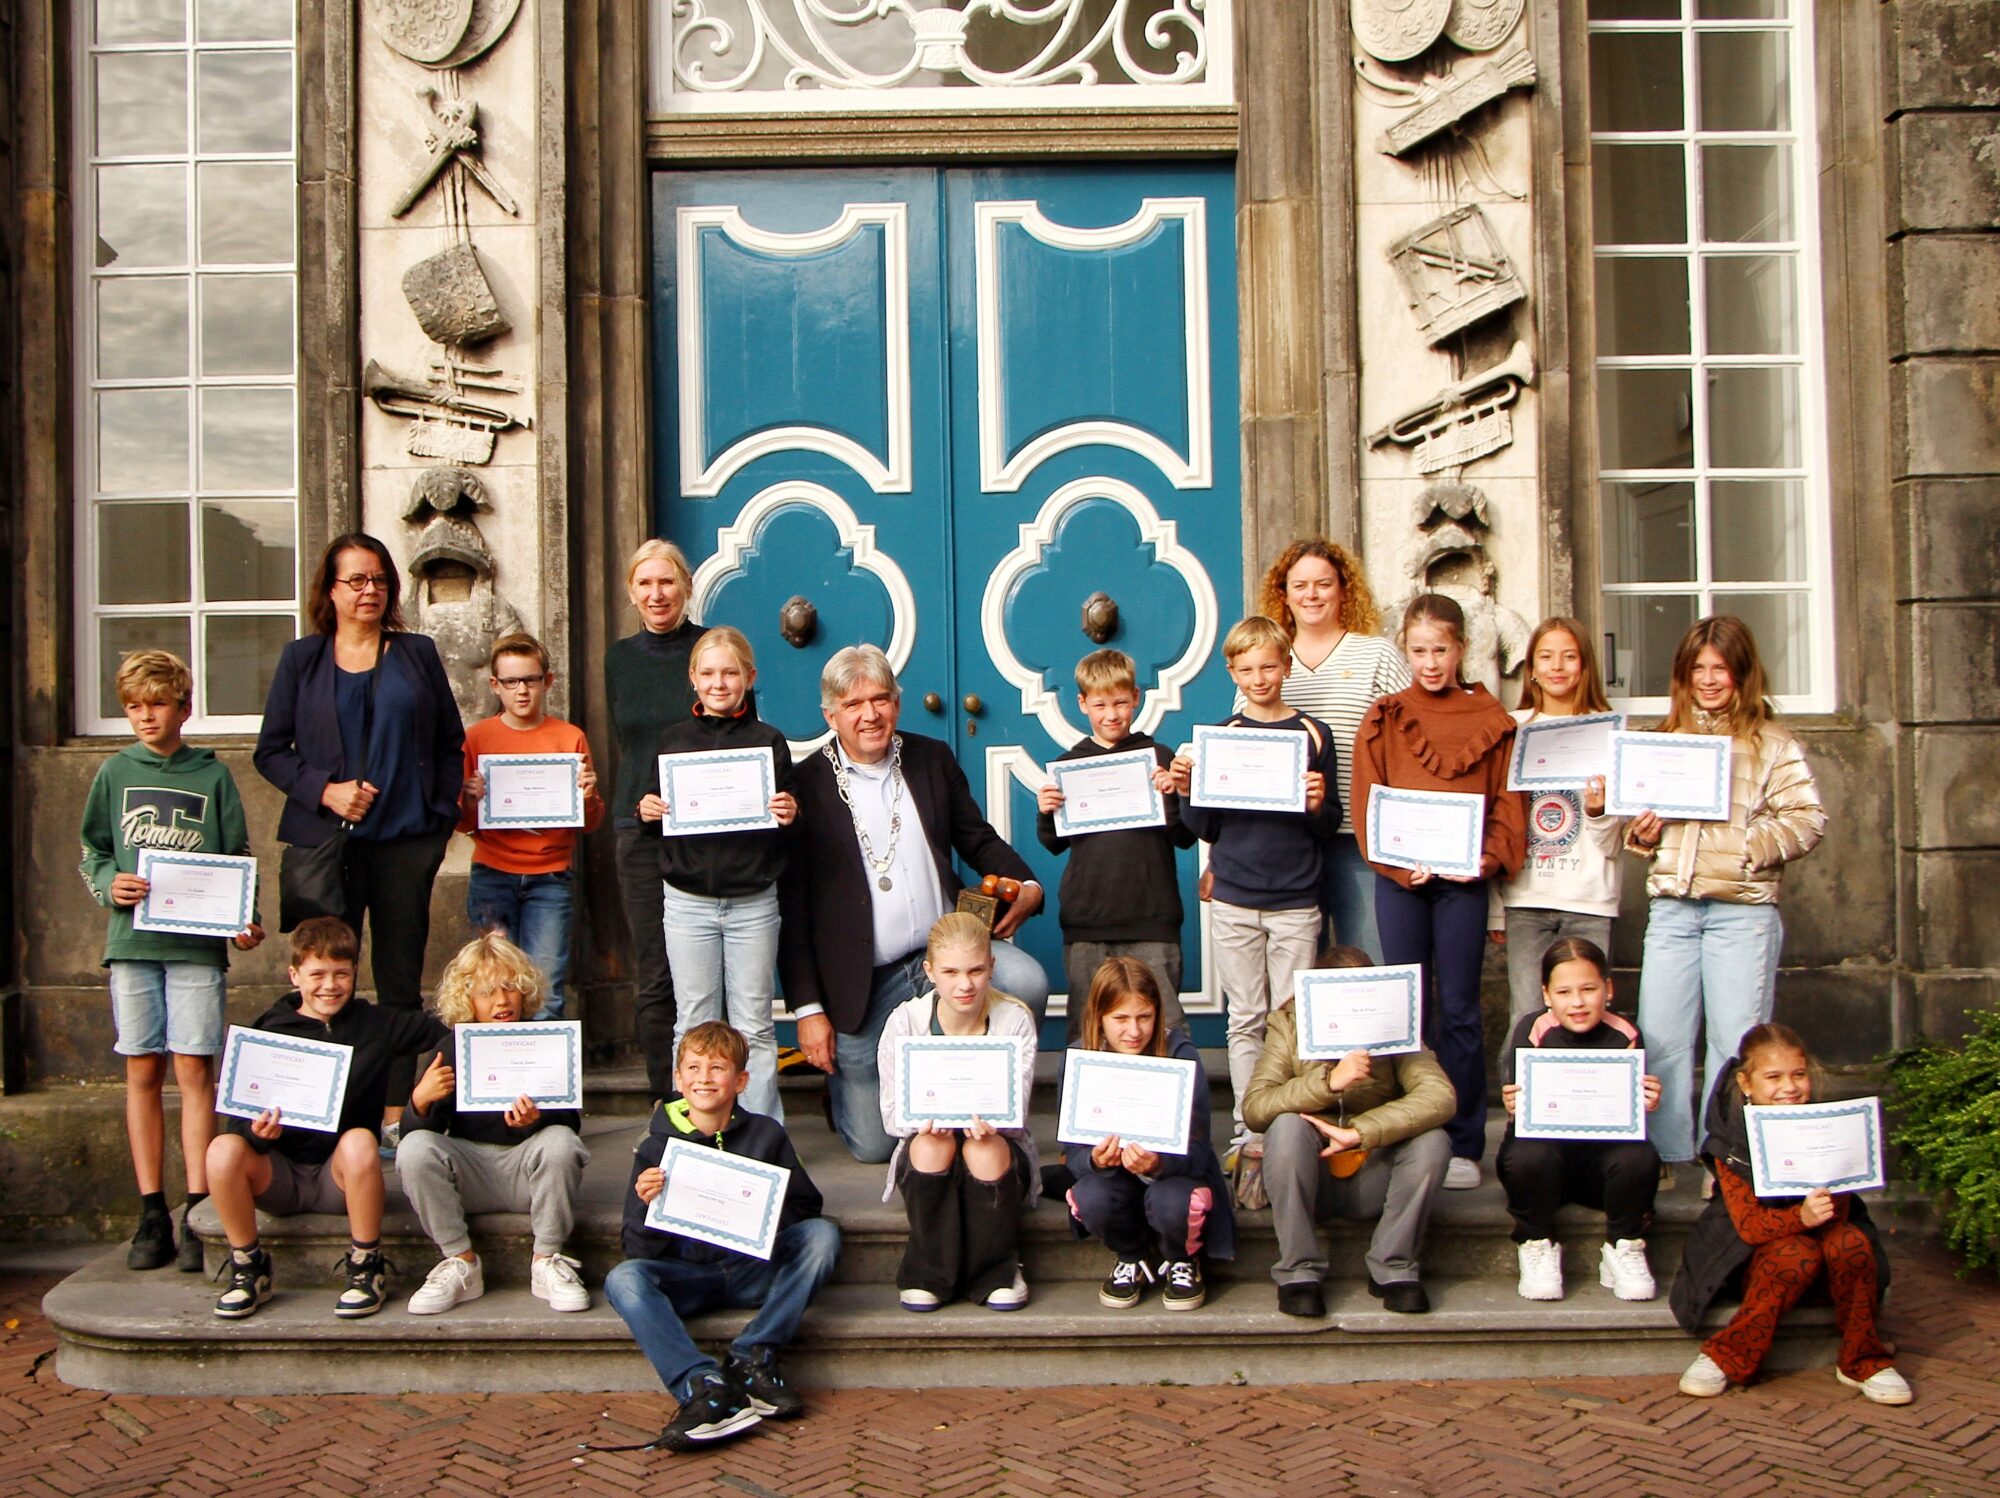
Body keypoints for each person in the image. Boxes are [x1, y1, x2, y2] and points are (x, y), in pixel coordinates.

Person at [779, 644, 1050, 1163]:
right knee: (874, 1146)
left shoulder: (930, 759)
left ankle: (978, 1097)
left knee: (1028, 982)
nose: (870, 714)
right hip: (866, 980)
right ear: (830, 715)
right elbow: (793, 909)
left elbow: (978, 839)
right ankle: (846, 1093)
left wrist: (1029, 883)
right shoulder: (806, 786)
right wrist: (809, 1011)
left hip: (945, 955)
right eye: (854, 704)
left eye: (881, 699)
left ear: (897, 705)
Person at [254, 533, 464, 1125]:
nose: (370, 590)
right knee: (324, 982)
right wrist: (326, 789)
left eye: (379, 580)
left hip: (406, 843)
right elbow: (270, 752)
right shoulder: (302, 659)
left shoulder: (416, 652)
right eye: (357, 580)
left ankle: (396, 1117)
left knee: (399, 984)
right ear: (331, 589)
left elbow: (451, 741)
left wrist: (440, 818)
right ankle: (321, 1112)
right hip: (328, 846)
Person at [80, 648, 265, 1273]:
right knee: (140, 1072)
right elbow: (94, 851)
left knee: (194, 1071)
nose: (145, 716)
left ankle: (196, 1208)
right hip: (132, 943)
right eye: (133, 707)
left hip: (195, 947)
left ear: (183, 707)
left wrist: (244, 917)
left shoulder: (212, 776)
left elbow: (236, 858)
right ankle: (150, 1210)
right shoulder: (113, 773)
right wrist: (111, 883)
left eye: (157, 704)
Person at [1628, 617, 1826, 1176]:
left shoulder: (1772, 743)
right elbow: (1641, 830)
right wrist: (1640, 835)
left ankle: (1727, 1165)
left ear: (1741, 674)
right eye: (1698, 669)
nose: (1709, 679)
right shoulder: (1662, 741)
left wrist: (1746, 846)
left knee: (1735, 1045)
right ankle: (1665, 1157)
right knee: (1661, 1040)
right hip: (1673, 908)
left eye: (1720, 668)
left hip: (1742, 913)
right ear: (1684, 676)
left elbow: (1808, 819)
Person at [1352, 593, 1525, 1189]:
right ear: (1406, 649)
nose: (1431, 662)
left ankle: (1463, 1140)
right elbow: (1367, 802)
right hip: (1403, 883)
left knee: (1458, 1010)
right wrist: (1401, 867)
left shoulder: (1491, 719)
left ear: (1460, 649)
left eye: (1442, 650)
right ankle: (1407, 1131)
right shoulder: (1385, 716)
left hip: (1463, 884)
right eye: (1420, 649)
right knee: (1406, 1008)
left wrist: (1478, 862)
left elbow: (1507, 803)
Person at [604, 1021, 842, 1452]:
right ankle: (703, 1384)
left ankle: (753, 1355)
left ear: (741, 1080)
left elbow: (808, 1208)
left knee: (822, 1237)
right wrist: (644, 1203)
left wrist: (762, 1206)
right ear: (678, 1079)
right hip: (688, 1276)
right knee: (623, 1279)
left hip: (752, 1267)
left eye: (717, 1068)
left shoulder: (767, 1135)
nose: (704, 1078)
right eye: (693, 1068)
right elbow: (637, 1250)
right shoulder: (656, 1147)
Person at [203, 918, 446, 1320]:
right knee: (222, 1150)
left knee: (360, 1140)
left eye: (341, 974)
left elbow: (444, 1031)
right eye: (317, 974)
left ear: (354, 974)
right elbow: (238, 1122)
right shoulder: (268, 1031)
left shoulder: (377, 1024)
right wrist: (258, 1134)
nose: (329, 985)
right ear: (294, 975)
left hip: (340, 1180)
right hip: (278, 1175)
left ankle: (366, 1263)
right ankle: (249, 1266)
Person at [1671, 1024, 1909, 1405]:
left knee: (1850, 1240)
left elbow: (1841, 1215)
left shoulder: (1826, 1127)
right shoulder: (1730, 1142)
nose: (1789, 1087)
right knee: (1795, 1252)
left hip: (1826, 1262)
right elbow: (1748, 1228)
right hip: (1753, 1263)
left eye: (1798, 1075)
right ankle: (1726, 1355)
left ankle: (1863, 1359)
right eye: (1774, 1077)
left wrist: (1829, 1194)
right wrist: (1802, 1217)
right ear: (1746, 1083)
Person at [1172, 615, 1341, 1151]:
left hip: (1296, 898)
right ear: (1232, 673)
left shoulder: (1314, 733)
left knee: (1293, 1021)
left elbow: (1327, 822)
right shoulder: (1221, 737)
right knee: (1245, 1017)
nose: (1260, 677)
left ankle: (1291, 1123)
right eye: (1247, 669)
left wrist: (1317, 804)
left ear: (1287, 666)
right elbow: (1207, 828)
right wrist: (1186, 791)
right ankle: (1250, 1130)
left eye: (1269, 666)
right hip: (1235, 898)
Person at [638, 626, 798, 1120]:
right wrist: (648, 811)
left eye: (730, 673)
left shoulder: (767, 741)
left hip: (752, 901)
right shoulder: (673, 741)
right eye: (708, 673)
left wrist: (790, 811)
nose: (719, 682)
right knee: (694, 1021)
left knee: (754, 1024)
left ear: (749, 678)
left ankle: (761, 1134)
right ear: (692, 678)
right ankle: (694, 1130)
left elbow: (788, 823)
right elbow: (656, 820)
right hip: (688, 902)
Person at [1243, 945, 1455, 1317]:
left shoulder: (1395, 1027)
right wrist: (1329, 1081)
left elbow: (1440, 1096)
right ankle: (1298, 1272)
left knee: (1434, 1141)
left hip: (1375, 1172)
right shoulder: (1287, 1024)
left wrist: (1360, 1131)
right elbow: (1256, 1108)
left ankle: (1394, 1265)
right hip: (1312, 1175)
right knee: (1286, 1126)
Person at [396, 932, 592, 1316]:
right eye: (487, 992)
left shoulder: (544, 1041)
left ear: (524, 992)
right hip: (470, 1174)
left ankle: (547, 1260)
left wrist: (538, 1118)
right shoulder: (450, 1047)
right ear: (467, 999)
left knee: (561, 1142)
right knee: (414, 1149)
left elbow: (570, 1123)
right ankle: (460, 1262)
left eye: (509, 988)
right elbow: (418, 1138)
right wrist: (419, 1100)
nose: (501, 1000)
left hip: (527, 1172)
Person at [1255, 538, 1411, 960]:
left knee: (1368, 959)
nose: (1312, 595)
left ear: (1343, 589)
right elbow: (1242, 746)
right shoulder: (1266, 659)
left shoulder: (1376, 654)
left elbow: (1411, 741)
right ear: (1283, 594)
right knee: (1296, 973)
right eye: (1300, 585)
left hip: (1358, 839)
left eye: (1323, 584)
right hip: (1286, 843)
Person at [876, 914, 1040, 1312]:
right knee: (931, 1143)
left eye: (975, 971)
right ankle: (927, 1272)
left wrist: (988, 1121)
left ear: (992, 967)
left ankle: (998, 1271)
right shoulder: (905, 1022)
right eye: (950, 972)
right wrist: (928, 1118)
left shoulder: (1014, 1019)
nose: (964, 985)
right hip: (931, 1143)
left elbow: (1015, 1113)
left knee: (983, 1148)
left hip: (996, 1145)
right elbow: (893, 1115)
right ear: (929, 971)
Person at [1035, 648, 1196, 1032]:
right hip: (1088, 924)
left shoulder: (1158, 756)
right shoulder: (1070, 764)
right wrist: (1046, 811)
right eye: (1100, 704)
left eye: (1121, 703)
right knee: (1088, 1029)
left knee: (1163, 1029)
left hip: (1152, 921)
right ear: (1082, 703)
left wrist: (1174, 796)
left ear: (1137, 698)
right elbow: (1053, 842)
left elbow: (1184, 837)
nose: (1112, 714)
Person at [1062, 957, 1234, 1311]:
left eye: (1144, 1017)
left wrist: (1158, 1163)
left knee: (1175, 1202)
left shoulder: (1179, 1052)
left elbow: (1200, 1152)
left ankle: (1182, 1258)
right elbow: (1074, 1156)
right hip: (1114, 1180)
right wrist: (1096, 1159)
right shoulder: (1080, 1058)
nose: (1134, 1031)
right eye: (1120, 1019)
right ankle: (1131, 1255)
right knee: (1090, 1195)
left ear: (1158, 1014)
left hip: (1174, 1178)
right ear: (1099, 1018)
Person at [1496, 938, 1661, 1302]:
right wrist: (1515, 1103)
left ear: (1608, 988)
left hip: (1599, 1167)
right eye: (1564, 991)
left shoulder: (1626, 1034)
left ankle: (1624, 1246)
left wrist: (1643, 1103)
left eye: (1589, 989)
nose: (1578, 1002)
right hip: (1546, 1161)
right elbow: (1523, 1112)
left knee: (1641, 1157)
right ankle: (1536, 1242)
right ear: (1547, 994)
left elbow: (1628, 1121)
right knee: (1526, 1155)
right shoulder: (1532, 1029)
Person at [457, 632, 604, 1022]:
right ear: (495, 685)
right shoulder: (477, 738)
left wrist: (587, 796)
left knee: (546, 987)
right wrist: (469, 798)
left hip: (550, 878)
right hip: (492, 873)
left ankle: (542, 1082)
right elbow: (461, 824)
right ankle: (498, 1077)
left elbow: (589, 824)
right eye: (511, 682)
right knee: (492, 985)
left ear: (547, 682)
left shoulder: (569, 737)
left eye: (531, 680)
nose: (521, 691)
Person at [605, 539, 707, 1099]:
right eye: (645, 583)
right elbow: (629, 743)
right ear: (631, 592)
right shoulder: (618, 658)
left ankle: (714, 1094)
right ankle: (666, 1101)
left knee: (704, 970)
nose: (656, 593)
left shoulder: (710, 650)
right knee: (655, 975)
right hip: (638, 830)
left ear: (685, 586)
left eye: (666, 581)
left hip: (705, 831)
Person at [1487, 619, 1625, 1023]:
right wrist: (1497, 909)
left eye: (1569, 656)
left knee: (1586, 1018)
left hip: (1589, 898)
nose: (1557, 666)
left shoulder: (1609, 731)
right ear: (1531, 667)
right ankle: (1519, 1088)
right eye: (1545, 657)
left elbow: (1616, 842)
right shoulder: (1510, 729)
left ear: (1585, 666)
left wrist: (1599, 811)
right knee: (1527, 1017)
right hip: (1526, 898)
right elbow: (1500, 825)